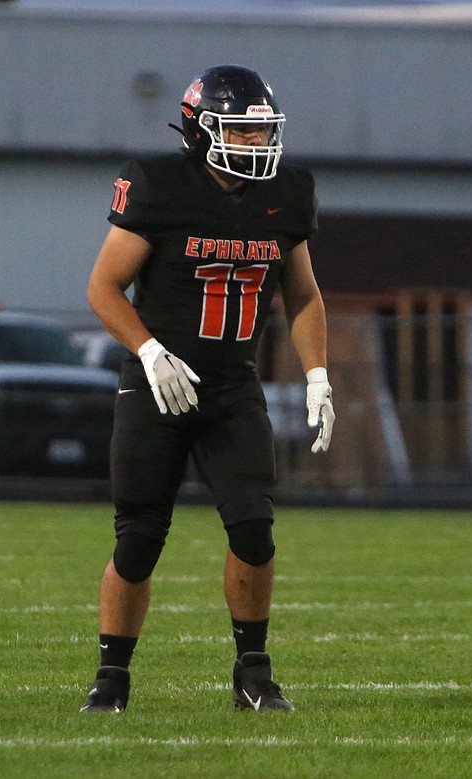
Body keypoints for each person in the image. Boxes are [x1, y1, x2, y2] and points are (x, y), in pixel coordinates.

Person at [80, 64, 334, 713]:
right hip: (157, 383)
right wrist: (149, 349)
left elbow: (302, 294)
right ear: (201, 130)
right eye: (242, 132)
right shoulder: (158, 185)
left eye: (262, 132)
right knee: (139, 535)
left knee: (255, 529)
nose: (256, 144)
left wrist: (317, 373)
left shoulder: (287, 193)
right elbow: (103, 288)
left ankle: (252, 670)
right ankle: (111, 679)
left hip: (230, 384)